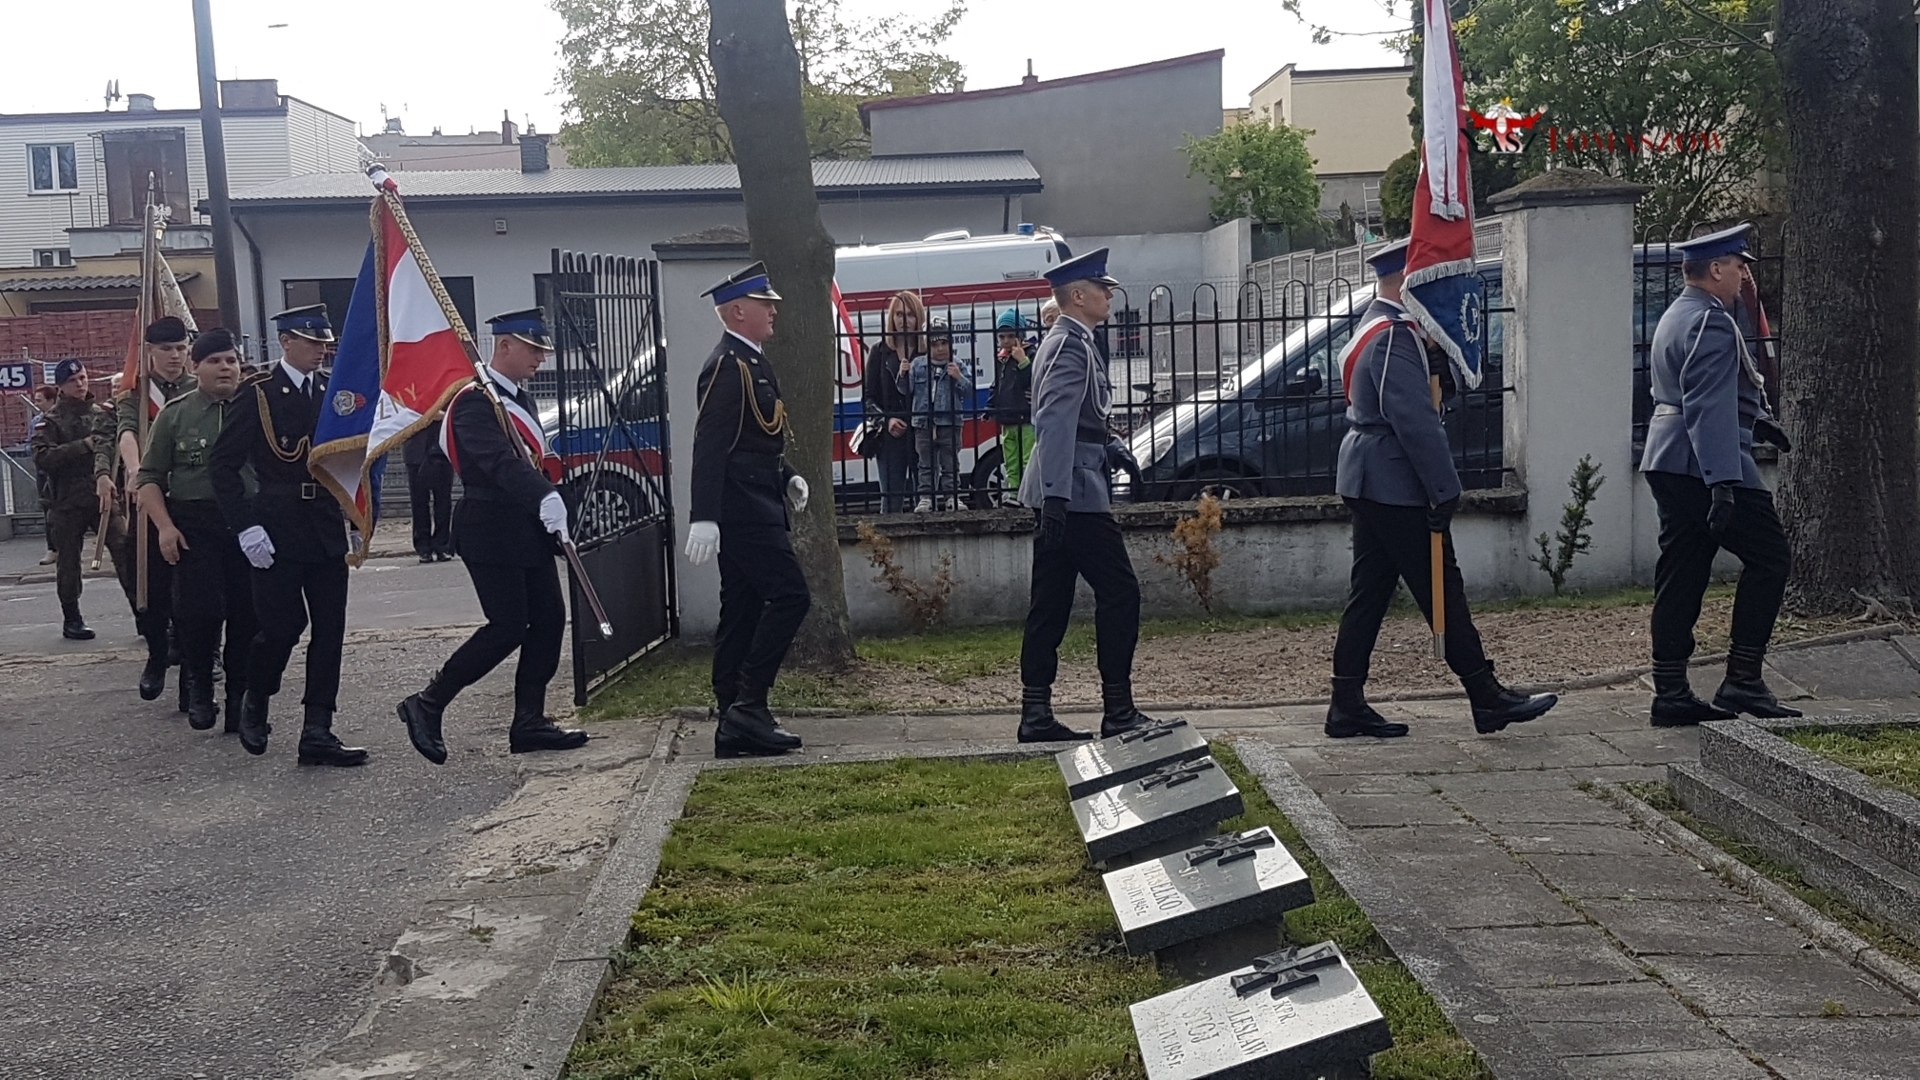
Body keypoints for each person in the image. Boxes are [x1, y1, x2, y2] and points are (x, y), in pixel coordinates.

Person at [1324, 238, 1557, 740]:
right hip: (1394, 480)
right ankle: (1485, 695)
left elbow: (1421, 398)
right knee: (1441, 588)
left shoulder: (1379, 325)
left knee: (1370, 592)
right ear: (1410, 285)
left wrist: (1434, 361)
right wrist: (1444, 488)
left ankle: (1346, 702)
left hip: (1372, 475)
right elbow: (1415, 422)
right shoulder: (1393, 336)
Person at [396, 310, 589, 763]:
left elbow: (529, 461)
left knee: (548, 620)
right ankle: (427, 702)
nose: (541, 358)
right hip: (490, 527)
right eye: (533, 349)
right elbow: (498, 462)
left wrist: (551, 499)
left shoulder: (516, 399)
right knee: (507, 626)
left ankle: (529, 721)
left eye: (542, 350)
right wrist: (543, 495)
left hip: (526, 528)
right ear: (505, 345)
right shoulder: (474, 402)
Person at [1641, 222, 1796, 726]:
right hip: (1706, 463)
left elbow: (1699, 390)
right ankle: (1743, 680)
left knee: (1682, 572)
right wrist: (1723, 483)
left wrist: (1757, 421)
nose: (1743, 275)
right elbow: (1707, 405)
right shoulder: (1710, 321)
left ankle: (1671, 691)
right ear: (1714, 269)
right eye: (1737, 266)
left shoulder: (1679, 313)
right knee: (1771, 559)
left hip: (1669, 458)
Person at [209, 305, 367, 767]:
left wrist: (357, 518)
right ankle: (256, 695)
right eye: (312, 342)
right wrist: (245, 526)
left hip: (325, 522)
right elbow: (223, 465)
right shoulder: (259, 392)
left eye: (324, 343)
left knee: (330, 631)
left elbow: (351, 458)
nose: (321, 350)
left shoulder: (333, 391)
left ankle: (318, 729)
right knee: (281, 628)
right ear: (286, 342)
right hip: (276, 524)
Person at [1015, 248, 1159, 743]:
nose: (1109, 295)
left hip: (1070, 484)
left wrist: (1112, 447)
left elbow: (1082, 418)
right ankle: (1118, 709)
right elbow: (1054, 421)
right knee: (1120, 593)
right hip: (1073, 491)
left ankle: (1036, 712)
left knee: (1051, 601)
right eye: (1102, 288)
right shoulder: (1069, 346)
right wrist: (1056, 496)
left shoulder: (1073, 341)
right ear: (1078, 296)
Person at [684, 262, 810, 758]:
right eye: (765, 303)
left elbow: (757, 439)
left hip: (759, 500)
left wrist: (787, 474)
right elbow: (711, 444)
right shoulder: (726, 365)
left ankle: (732, 715)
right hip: (743, 509)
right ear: (738, 311)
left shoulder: (753, 360)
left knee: (741, 608)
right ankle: (749, 705)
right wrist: (704, 515)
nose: (774, 310)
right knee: (791, 596)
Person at [134, 329, 257, 733]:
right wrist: (165, 528)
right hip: (194, 524)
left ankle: (240, 698)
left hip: (248, 523)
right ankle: (200, 687)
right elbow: (149, 477)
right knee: (200, 612)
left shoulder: (257, 409)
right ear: (196, 367)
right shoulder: (176, 414)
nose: (225, 368)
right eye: (215, 361)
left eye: (231, 361)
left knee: (248, 614)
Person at [102, 316, 196, 701]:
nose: (175, 356)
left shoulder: (198, 388)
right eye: (166, 349)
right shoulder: (137, 392)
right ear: (150, 352)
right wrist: (136, 471)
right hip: (150, 497)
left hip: (191, 499)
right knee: (148, 586)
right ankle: (157, 656)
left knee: (194, 591)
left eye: (181, 348)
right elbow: (127, 432)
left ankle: (193, 670)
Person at [31, 359, 111, 641]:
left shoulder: (101, 414)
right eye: (73, 380)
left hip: (102, 496)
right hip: (67, 501)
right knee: (68, 563)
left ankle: (145, 616)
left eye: (83, 378)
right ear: (61, 386)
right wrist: (82, 446)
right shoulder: (50, 421)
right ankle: (72, 618)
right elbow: (43, 458)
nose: (80, 384)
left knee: (126, 552)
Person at [900, 318, 973, 511]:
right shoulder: (918, 365)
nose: (940, 348)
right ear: (927, 345)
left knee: (950, 463)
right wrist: (903, 375)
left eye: (944, 343)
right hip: (923, 423)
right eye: (934, 344)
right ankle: (926, 497)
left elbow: (968, 390)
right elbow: (905, 390)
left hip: (950, 421)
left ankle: (952, 496)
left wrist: (958, 377)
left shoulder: (957, 365)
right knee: (925, 463)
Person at [861, 291, 922, 513]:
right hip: (890, 436)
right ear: (892, 318)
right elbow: (868, 398)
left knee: (926, 500)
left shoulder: (927, 351)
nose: (905, 320)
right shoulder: (879, 351)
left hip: (922, 432)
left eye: (910, 315)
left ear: (918, 318)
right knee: (891, 501)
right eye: (899, 314)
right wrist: (886, 421)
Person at [990, 307, 1036, 502]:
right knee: (1011, 459)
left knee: (1028, 458)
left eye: (1011, 336)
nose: (1006, 341)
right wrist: (990, 407)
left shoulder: (1030, 354)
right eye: (1002, 337)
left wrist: (1022, 361)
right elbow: (997, 384)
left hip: (1025, 417)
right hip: (1007, 418)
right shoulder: (1001, 358)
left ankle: (1028, 494)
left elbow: (1031, 380)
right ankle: (1014, 492)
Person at [403, 425, 454, 562]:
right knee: (419, 502)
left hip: (441, 450)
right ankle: (423, 547)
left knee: (443, 501)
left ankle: (442, 545)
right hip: (416, 451)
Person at [28, 384, 59, 566]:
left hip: (60, 472)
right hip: (43, 473)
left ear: (51, 400)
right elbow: (30, 445)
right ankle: (52, 549)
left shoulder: (61, 419)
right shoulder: (36, 422)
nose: (36, 404)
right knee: (47, 511)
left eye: (39, 400)